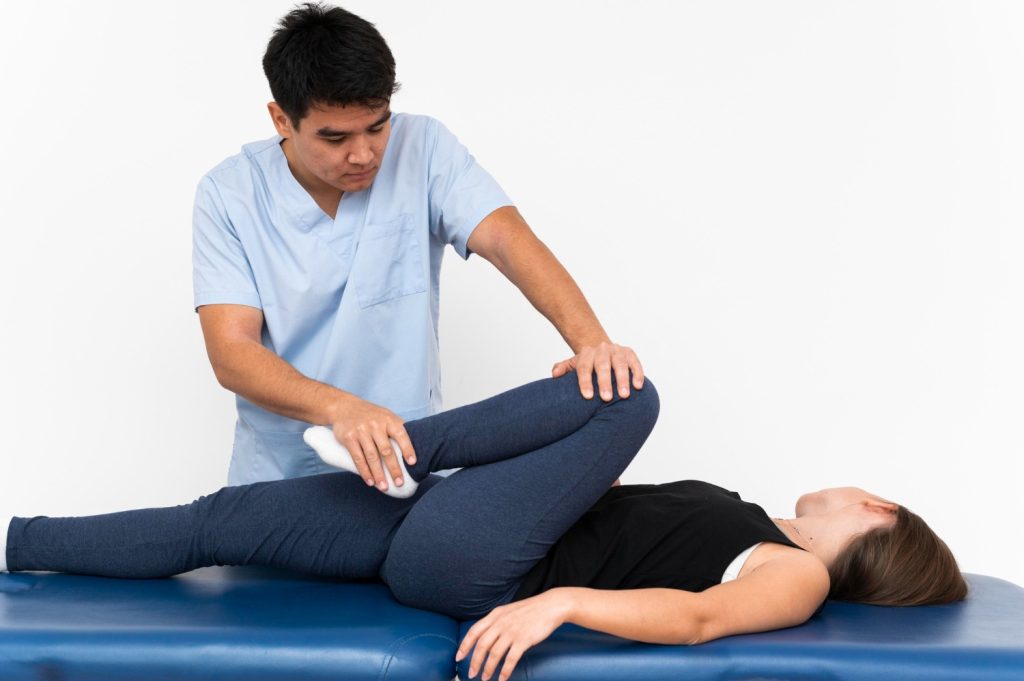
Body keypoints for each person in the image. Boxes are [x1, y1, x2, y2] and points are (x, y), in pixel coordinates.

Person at [0, 373, 966, 681]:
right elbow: (613, 518)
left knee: (630, 391)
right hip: (432, 531)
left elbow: (700, 620)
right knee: (216, 521)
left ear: (878, 510)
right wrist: (563, 433)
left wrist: (562, 604)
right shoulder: (745, 512)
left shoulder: (795, 575)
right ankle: (19, 538)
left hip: (480, 565)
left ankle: (392, 442)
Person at [193, 1, 645, 490]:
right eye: (335, 137)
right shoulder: (229, 194)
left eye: (377, 125)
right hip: (284, 475)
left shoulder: (424, 147)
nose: (364, 154)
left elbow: (508, 240)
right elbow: (232, 350)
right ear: (282, 119)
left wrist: (592, 343)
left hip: (408, 466)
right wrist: (340, 408)